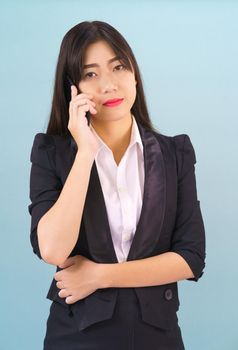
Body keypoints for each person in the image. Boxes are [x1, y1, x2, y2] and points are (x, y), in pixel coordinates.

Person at [28, 20, 206, 350]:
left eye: (118, 67)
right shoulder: (50, 152)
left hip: (159, 337)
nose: (109, 85)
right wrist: (85, 154)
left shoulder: (174, 153)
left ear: (134, 74)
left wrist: (99, 275)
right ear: (72, 88)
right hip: (76, 337)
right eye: (90, 74)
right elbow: (53, 249)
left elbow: (191, 258)